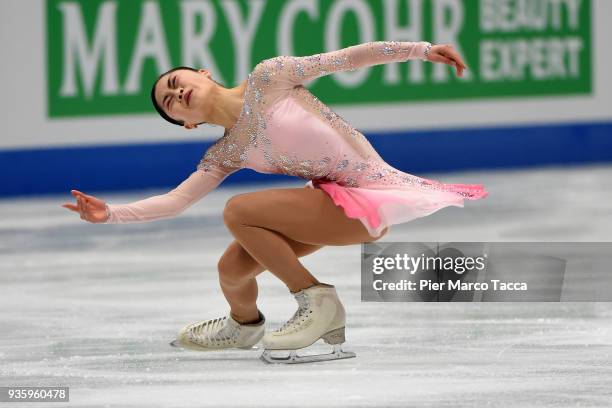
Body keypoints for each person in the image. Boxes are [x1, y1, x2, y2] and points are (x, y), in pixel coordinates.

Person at [62, 40, 488, 364]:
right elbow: (176, 202)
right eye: (170, 103)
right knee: (232, 269)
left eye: (177, 84)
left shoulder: (269, 77)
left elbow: (345, 58)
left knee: (238, 211)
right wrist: (110, 214)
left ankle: (316, 300)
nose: (177, 95)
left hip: (367, 198)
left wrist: (420, 50)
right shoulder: (225, 153)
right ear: (186, 123)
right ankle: (243, 326)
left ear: (203, 73)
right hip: (327, 204)